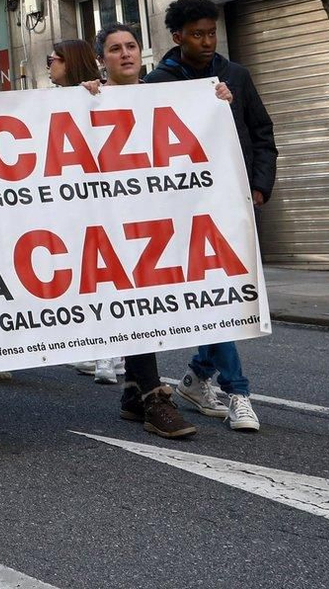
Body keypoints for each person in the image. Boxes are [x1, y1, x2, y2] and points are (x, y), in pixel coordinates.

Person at [146, 0, 274, 433]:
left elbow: (262, 132)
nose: (206, 41)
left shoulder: (235, 75)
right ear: (177, 37)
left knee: (222, 299)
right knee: (213, 299)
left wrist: (259, 187)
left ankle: (199, 377)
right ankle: (239, 392)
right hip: (182, 212)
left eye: (211, 33)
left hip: (231, 206)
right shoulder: (157, 84)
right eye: (196, 34)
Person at [85, 22, 219, 440]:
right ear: (100, 60)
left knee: (146, 302)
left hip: (156, 218)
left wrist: (216, 105)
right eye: (114, 49)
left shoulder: (168, 96)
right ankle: (152, 398)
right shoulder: (86, 99)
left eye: (131, 46)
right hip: (108, 218)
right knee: (135, 302)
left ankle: (134, 393)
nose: (125, 54)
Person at [38, 40, 126, 386]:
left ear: (69, 62)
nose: (48, 66)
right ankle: (101, 349)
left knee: (105, 276)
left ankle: (111, 354)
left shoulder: (97, 95)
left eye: (53, 59)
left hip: (100, 203)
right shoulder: (55, 98)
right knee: (89, 277)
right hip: (74, 204)